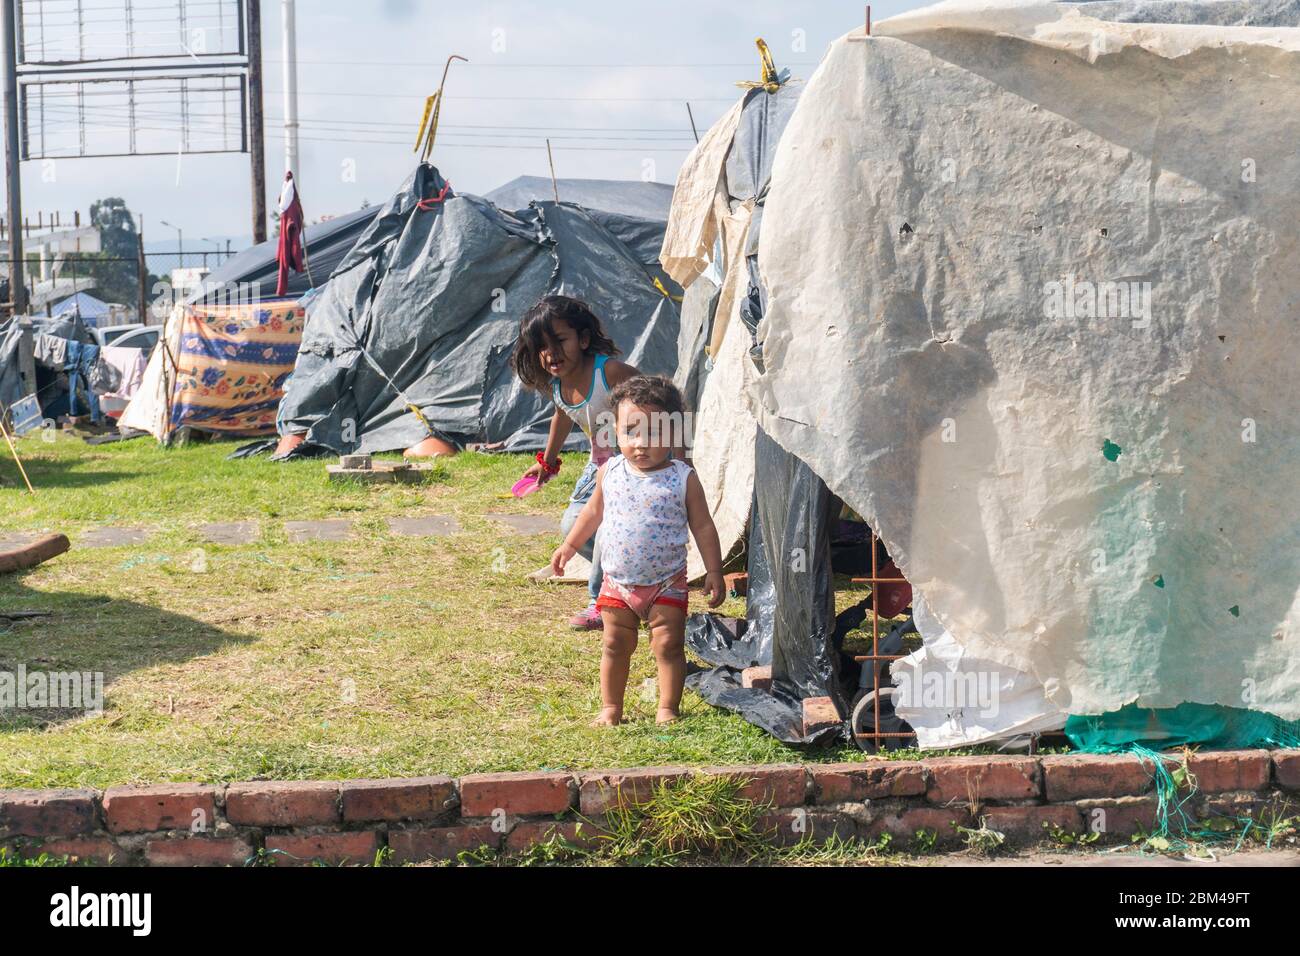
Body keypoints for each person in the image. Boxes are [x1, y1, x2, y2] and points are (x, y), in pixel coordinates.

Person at [550, 375, 725, 725]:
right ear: (615, 430)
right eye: (631, 431)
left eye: (654, 433)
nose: (641, 443)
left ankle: (667, 708)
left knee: (668, 646)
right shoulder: (610, 471)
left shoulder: (683, 478)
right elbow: (592, 513)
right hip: (617, 582)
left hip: (666, 582)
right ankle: (612, 708)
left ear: (674, 434)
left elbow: (703, 526)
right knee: (615, 645)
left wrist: (715, 571)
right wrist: (569, 546)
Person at [511, 295, 640, 630]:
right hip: (598, 464)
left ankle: (602, 603)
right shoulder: (558, 387)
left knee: (607, 526)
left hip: (631, 465)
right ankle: (632, 576)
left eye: (560, 341)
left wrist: (666, 457)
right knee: (573, 526)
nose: (551, 353)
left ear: (583, 339)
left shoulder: (609, 372)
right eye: (541, 346)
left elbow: (654, 402)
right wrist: (547, 462)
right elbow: (563, 416)